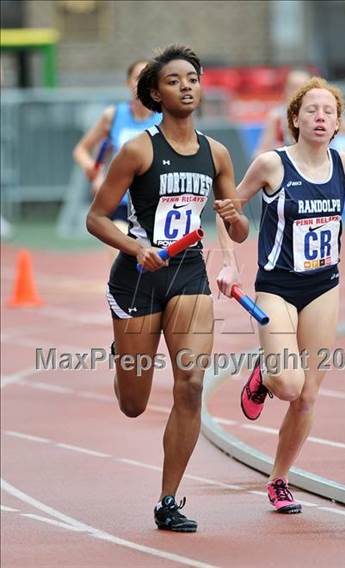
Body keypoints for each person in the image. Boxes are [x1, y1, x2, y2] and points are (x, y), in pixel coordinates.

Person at [86, 45, 248, 532]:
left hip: (188, 275)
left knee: (192, 383)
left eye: (193, 78)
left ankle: (169, 499)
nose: (187, 86)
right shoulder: (138, 149)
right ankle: (124, 351)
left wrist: (235, 219)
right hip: (137, 277)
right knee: (134, 404)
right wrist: (137, 249)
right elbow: (95, 218)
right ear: (155, 93)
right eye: (175, 80)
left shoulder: (215, 153)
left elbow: (237, 230)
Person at [217, 76, 345, 514]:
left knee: (308, 395)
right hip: (277, 286)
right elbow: (227, 208)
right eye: (311, 109)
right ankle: (265, 376)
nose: (320, 117)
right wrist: (229, 262)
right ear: (294, 118)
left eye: (329, 111)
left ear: (337, 123)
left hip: (324, 285)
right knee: (289, 385)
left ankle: (279, 479)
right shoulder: (272, 164)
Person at [73, 59, 162, 258]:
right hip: (121, 201)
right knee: (122, 254)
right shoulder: (113, 116)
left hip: (154, 203)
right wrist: (94, 174)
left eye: (148, 77)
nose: (142, 82)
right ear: (128, 83)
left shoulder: (164, 118)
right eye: (137, 77)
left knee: (154, 263)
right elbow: (81, 149)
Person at [254, 69, 345, 157]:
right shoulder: (276, 116)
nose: (297, 92)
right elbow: (262, 150)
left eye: (302, 87)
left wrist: (340, 164)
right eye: (293, 87)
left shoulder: (325, 113)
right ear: (286, 89)